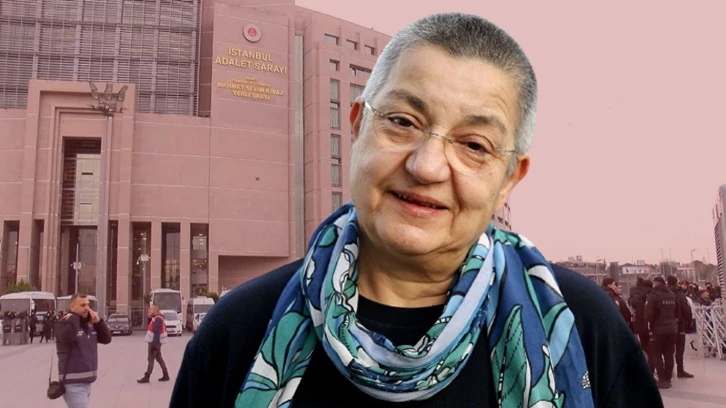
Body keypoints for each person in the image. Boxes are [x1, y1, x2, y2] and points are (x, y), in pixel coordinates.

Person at [171, 13, 661, 408]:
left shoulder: (581, 327)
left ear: (510, 179)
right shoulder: (240, 329)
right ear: (358, 125)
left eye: (474, 145)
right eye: (403, 122)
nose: (426, 166)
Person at [55, 293, 112, 408]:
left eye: (88, 305)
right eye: (82, 305)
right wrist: (73, 317)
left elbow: (106, 339)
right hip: (73, 383)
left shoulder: (89, 325)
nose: (87, 308)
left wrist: (99, 322)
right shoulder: (63, 323)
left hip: (87, 382)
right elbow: (68, 337)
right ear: (72, 307)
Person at [645, 276, 679, 389]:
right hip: (672, 329)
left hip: (657, 330)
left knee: (656, 354)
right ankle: (668, 378)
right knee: (669, 354)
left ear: (655, 283)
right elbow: (677, 312)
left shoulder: (653, 296)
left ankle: (662, 379)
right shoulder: (672, 295)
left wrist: (649, 328)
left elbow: (649, 315)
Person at [666, 275, 693, 378]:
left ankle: (669, 371)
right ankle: (680, 370)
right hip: (680, 324)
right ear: (676, 282)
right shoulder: (679, 293)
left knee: (668, 349)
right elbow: (686, 308)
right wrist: (689, 320)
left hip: (667, 325)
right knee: (680, 347)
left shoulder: (664, 293)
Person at [137, 305, 170, 383]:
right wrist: (149, 317)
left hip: (154, 342)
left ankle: (147, 377)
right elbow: (150, 327)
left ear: (155, 311)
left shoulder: (158, 319)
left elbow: (156, 332)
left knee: (150, 359)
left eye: (151, 309)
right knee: (159, 358)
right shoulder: (156, 318)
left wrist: (154, 345)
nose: (149, 310)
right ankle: (166, 375)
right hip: (156, 342)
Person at [630, 278, 653, 372]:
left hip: (640, 324)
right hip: (652, 325)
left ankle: (649, 366)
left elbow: (633, 305)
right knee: (654, 346)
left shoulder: (636, 295)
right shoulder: (653, 294)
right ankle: (653, 365)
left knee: (644, 344)